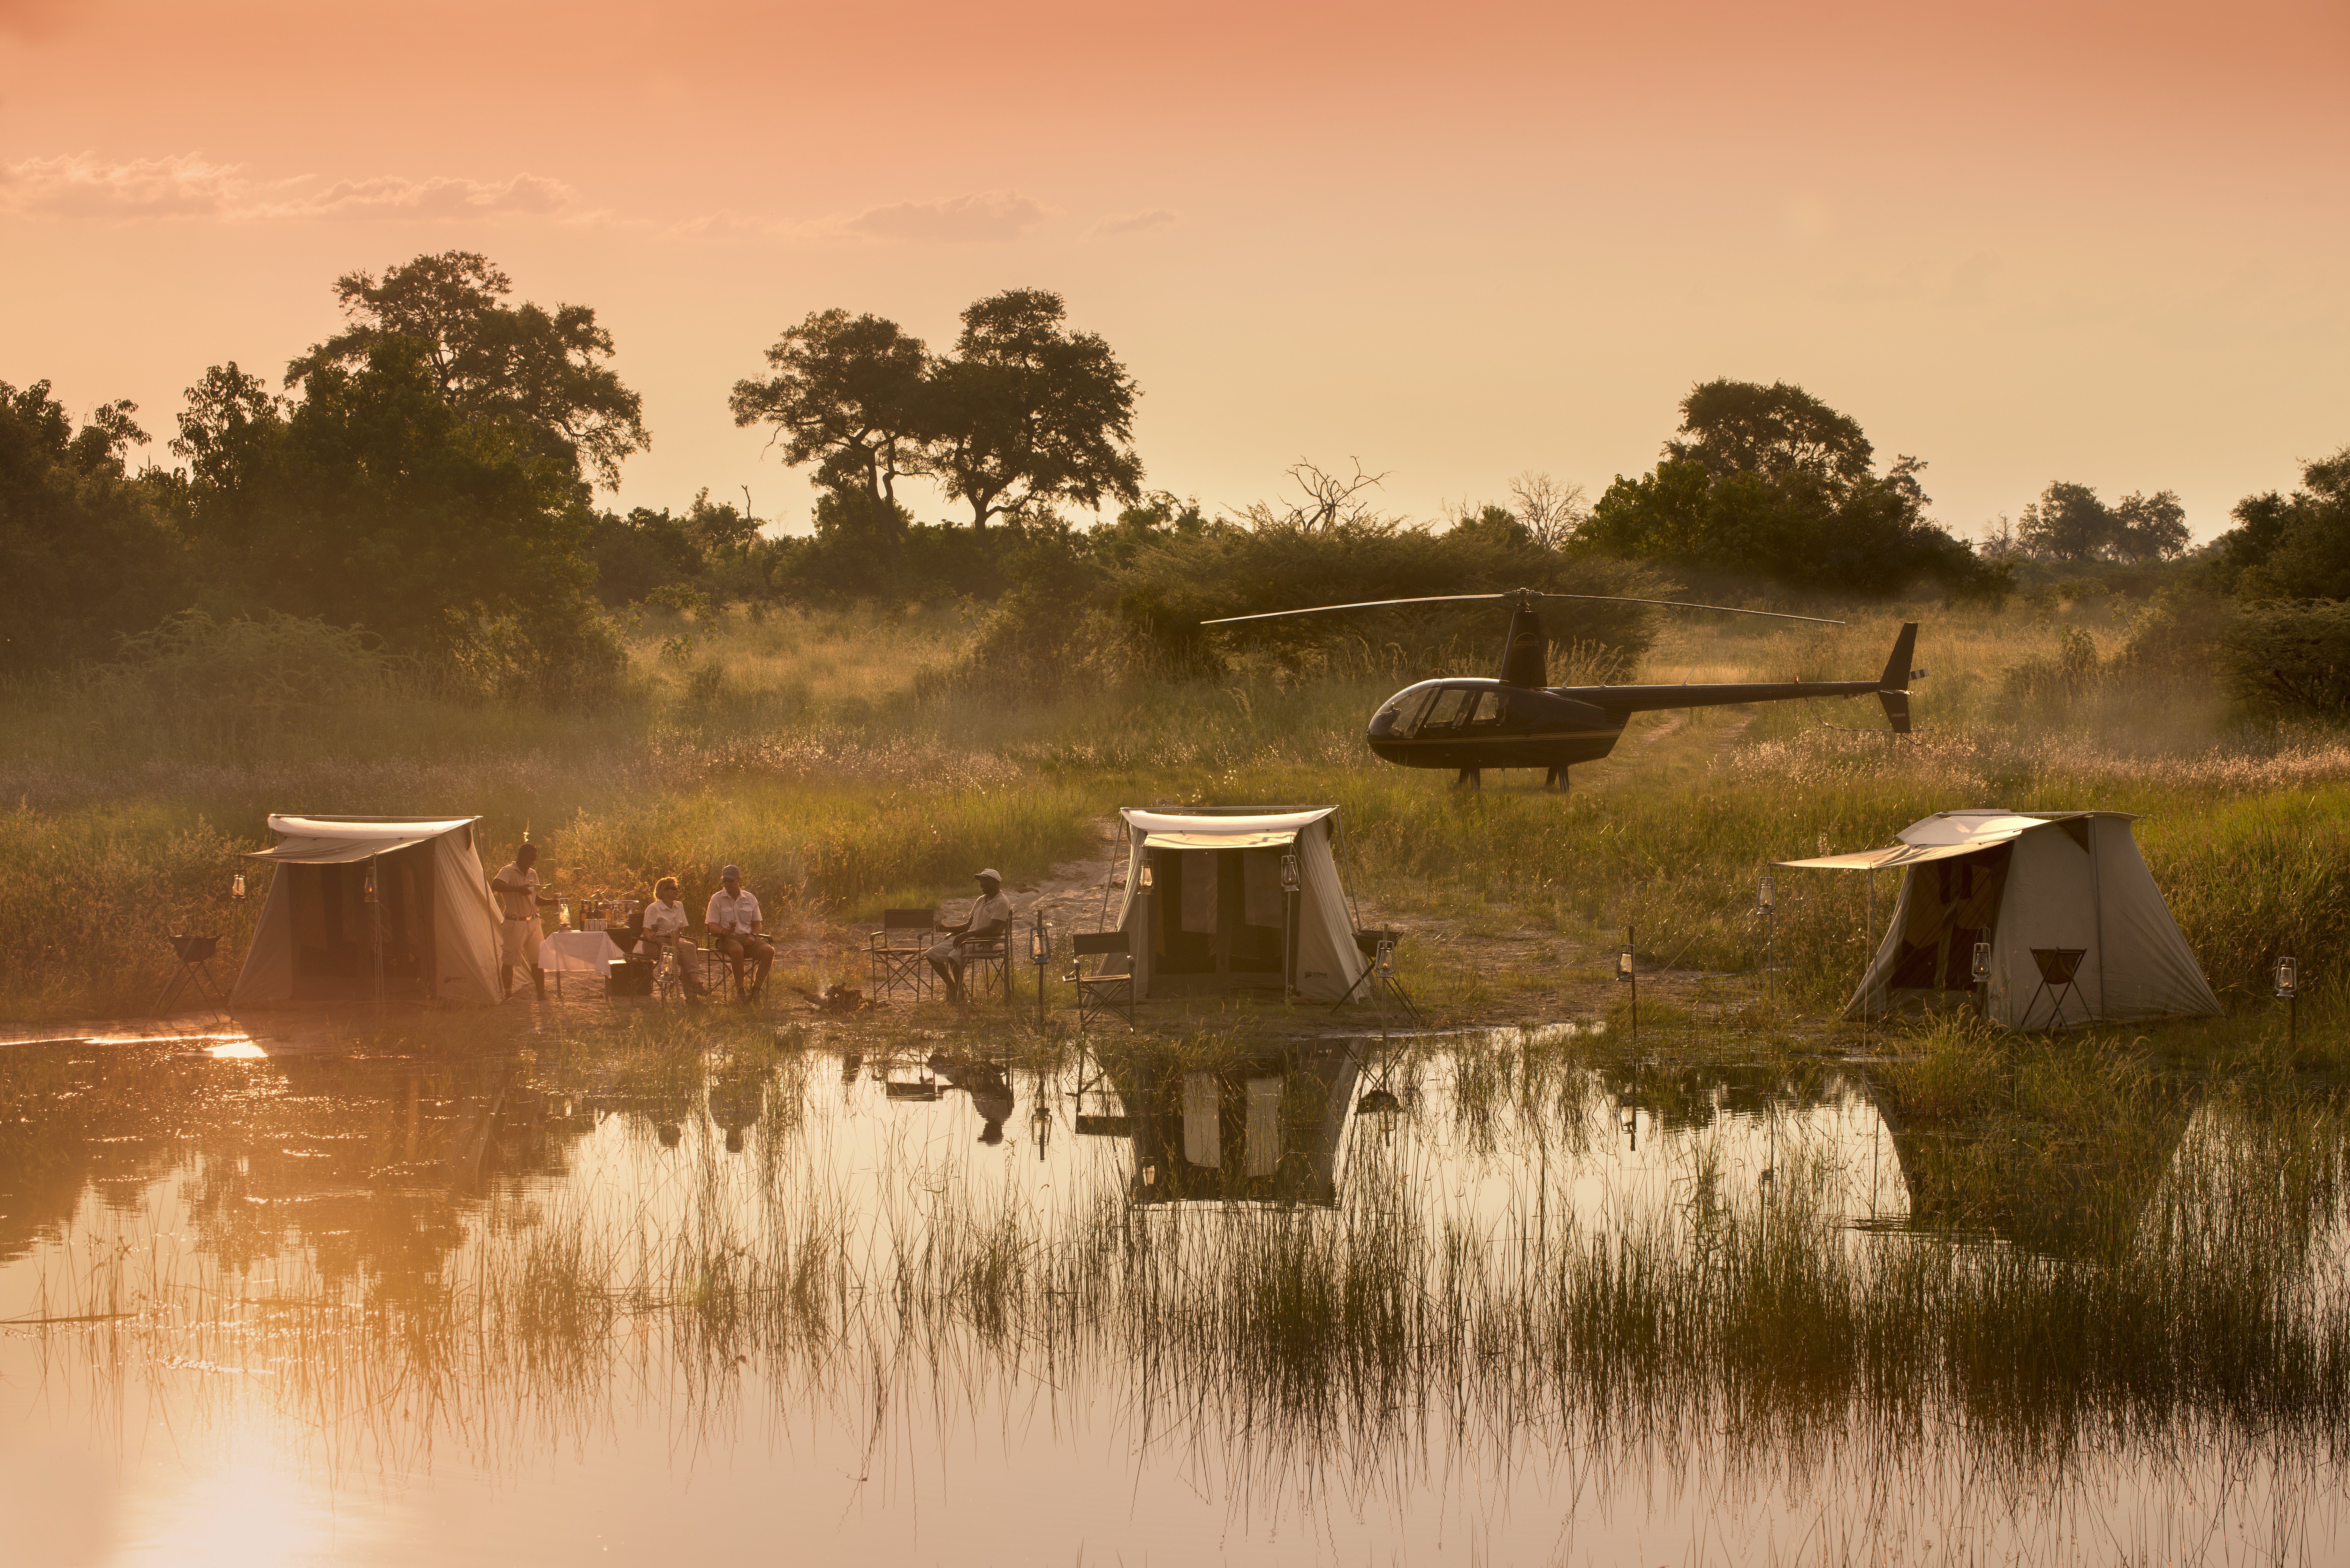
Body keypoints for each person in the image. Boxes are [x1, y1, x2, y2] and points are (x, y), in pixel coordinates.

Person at [928, 868, 1013, 1005]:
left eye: (985, 881)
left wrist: (967, 935)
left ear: (995, 882)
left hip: (985, 942)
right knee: (931, 954)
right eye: (980, 881)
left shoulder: (1002, 902)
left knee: (954, 957)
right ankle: (953, 988)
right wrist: (948, 929)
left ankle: (959, 993)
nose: (981, 884)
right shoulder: (981, 900)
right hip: (970, 939)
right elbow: (969, 925)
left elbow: (993, 929)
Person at [490, 842, 550, 1001]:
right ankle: (508, 995)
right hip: (515, 923)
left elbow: (535, 899)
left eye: (534, 859)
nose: (532, 862)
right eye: (530, 859)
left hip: (534, 922)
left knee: (538, 960)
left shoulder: (532, 873)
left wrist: (554, 902)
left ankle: (541, 995)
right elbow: (496, 885)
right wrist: (518, 889)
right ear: (521, 856)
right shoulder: (508, 871)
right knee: (510, 960)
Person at [704, 864, 773, 1001]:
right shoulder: (717, 899)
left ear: (739, 880)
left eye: (731, 880)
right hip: (728, 939)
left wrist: (753, 936)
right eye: (725, 881)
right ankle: (740, 992)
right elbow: (712, 926)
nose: (727, 884)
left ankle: (755, 992)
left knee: (769, 951)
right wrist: (723, 931)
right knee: (737, 950)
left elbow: (757, 925)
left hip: (748, 938)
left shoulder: (750, 898)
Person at [637, 877, 707, 998]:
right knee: (685, 959)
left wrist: (678, 934)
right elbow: (646, 930)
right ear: (664, 892)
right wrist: (650, 937)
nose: (678, 891)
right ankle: (691, 996)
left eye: (677, 888)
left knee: (691, 947)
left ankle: (695, 984)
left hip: (673, 940)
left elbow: (682, 928)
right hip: (655, 943)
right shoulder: (654, 908)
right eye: (674, 889)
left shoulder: (679, 906)